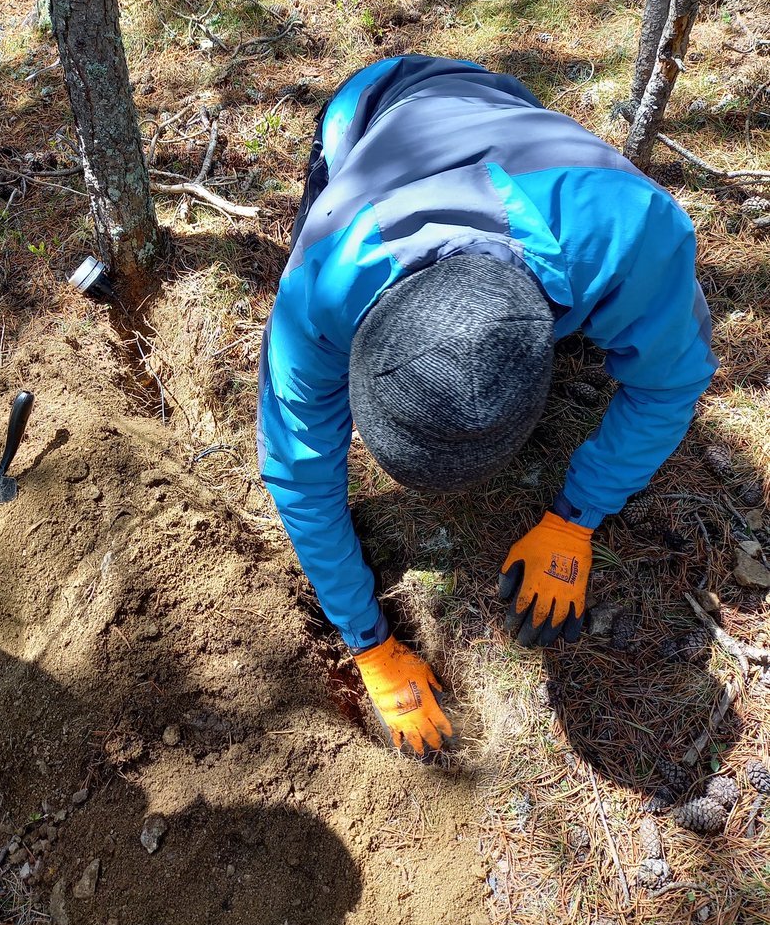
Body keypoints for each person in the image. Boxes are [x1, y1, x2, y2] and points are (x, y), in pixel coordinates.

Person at [257, 55, 717, 761]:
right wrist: (369, 645)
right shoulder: (316, 290)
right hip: (370, 111)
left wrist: (576, 520)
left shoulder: (631, 236)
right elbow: (299, 474)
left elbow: (671, 384)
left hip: (509, 116)